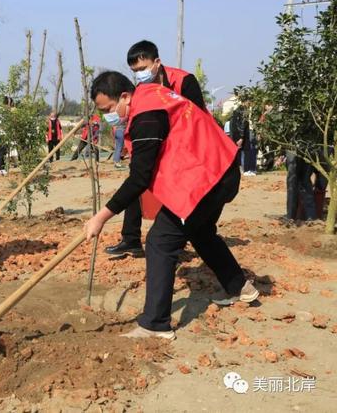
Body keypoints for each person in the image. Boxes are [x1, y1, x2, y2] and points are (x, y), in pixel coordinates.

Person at [86, 71, 258, 340]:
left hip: (206, 178)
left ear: (123, 96)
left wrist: (101, 216)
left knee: (160, 242)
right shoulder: (154, 95)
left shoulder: (146, 115)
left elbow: (139, 177)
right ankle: (240, 287)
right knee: (201, 233)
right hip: (222, 169)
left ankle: (155, 324)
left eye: (108, 109)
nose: (109, 116)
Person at [105, 40, 208, 258]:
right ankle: (131, 239)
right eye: (135, 71)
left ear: (157, 62)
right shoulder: (141, 91)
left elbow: (197, 117)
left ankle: (179, 240)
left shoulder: (183, 81)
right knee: (136, 180)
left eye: (142, 68)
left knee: (178, 193)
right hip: (156, 143)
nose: (140, 75)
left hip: (186, 146)